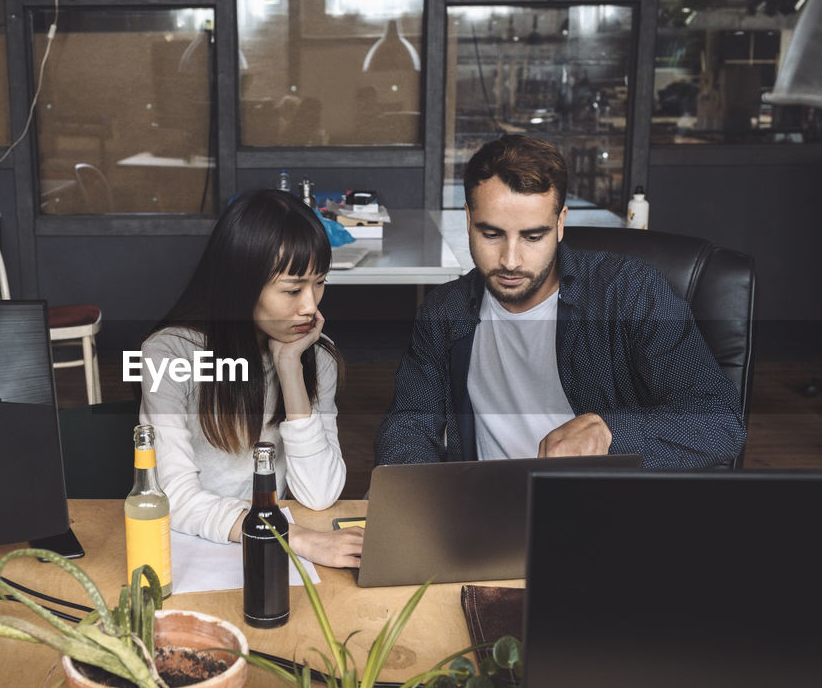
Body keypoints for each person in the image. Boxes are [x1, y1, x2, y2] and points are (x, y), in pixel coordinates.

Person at [375, 135, 746, 468]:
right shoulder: (444, 310)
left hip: (601, 511)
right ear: (468, 220)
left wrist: (609, 432)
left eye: (533, 236)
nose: (510, 260)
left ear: (561, 223)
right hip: (487, 513)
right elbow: (411, 421)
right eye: (491, 234)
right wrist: (410, 489)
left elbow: (720, 423)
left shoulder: (631, 293)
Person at [140, 189, 363, 568]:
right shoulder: (170, 354)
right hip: (195, 549)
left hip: (267, 551)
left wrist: (290, 368)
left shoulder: (315, 356)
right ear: (242, 286)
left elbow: (320, 494)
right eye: (293, 289)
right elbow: (172, 496)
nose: (310, 306)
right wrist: (297, 538)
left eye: (320, 283)